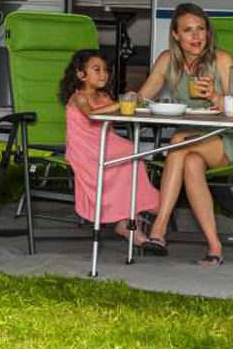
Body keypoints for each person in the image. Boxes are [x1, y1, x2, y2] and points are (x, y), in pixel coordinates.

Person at [132, 2, 233, 266]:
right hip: (189, 141)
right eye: (188, 30)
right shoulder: (167, 60)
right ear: (175, 34)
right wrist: (129, 99)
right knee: (191, 162)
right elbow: (142, 98)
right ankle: (215, 247)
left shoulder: (221, 60)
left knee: (178, 141)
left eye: (201, 29)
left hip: (227, 138)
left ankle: (158, 230)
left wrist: (214, 95)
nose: (196, 36)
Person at [59, 48, 160, 243]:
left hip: (106, 143)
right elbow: (92, 115)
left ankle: (128, 218)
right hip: (85, 149)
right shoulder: (79, 97)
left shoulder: (104, 98)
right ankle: (137, 210)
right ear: (81, 74)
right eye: (97, 69)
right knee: (128, 152)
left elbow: (116, 113)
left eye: (105, 70)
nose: (104, 74)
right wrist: (122, 102)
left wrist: (134, 105)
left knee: (130, 153)